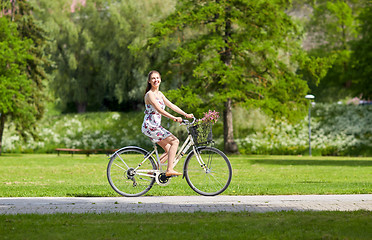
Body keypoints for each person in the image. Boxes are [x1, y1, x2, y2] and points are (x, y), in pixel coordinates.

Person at [142, 70, 194, 176]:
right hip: (151, 126)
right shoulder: (150, 95)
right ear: (149, 81)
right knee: (175, 141)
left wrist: (185, 114)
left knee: (170, 151)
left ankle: (153, 171)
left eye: (157, 78)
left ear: (160, 79)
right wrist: (174, 118)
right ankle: (169, 170)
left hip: (154, 126)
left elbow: (172, 106)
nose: (156, 80)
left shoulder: (160, 94)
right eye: (153, 78)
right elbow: (159, 110)